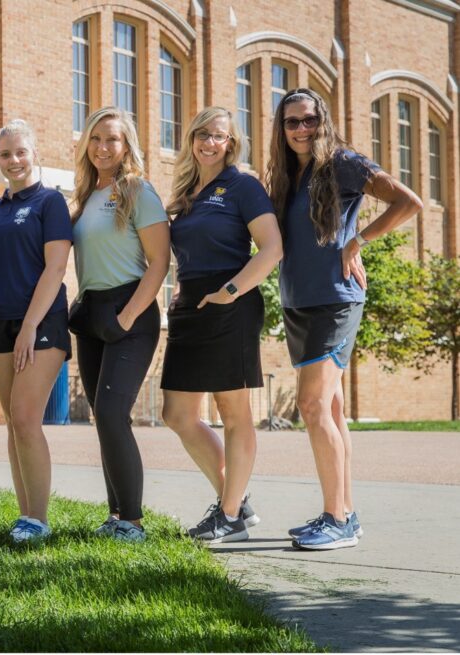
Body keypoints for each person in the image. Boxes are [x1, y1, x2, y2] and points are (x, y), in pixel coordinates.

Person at [266, 88, 422, 550]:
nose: (301, 129)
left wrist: (358, 241)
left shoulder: (343, 163)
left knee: (311, 406)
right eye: (292, 122)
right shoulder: (287, 175)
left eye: (309, 119)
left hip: (335, 299)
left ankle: (336, 520)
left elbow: (408, 201)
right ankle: (345, 512)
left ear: (323, 121)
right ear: (281, 128)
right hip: (297, 302)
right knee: (331, 409)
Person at [160, 107, 282, 543]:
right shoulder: (187, 191)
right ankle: (237, 503)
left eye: (219, 136)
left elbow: (272, 248)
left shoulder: (243, 186)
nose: (210, 143)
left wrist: (230, 291)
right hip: (190, 304)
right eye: (202, 134)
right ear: (191, 139)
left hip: (231, 302)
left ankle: (229, 516)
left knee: (233, 412)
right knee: (177, 413)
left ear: (232, 143)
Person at [68, 106, 170, 543]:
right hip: (92, 312)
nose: (102, 147)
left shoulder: (137, 191)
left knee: (112, 413)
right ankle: (115, 517)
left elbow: (160, 262)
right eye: (95, 138)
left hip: (131, 311)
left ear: (126, 145)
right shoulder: (84, 197)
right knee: (102, 417)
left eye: (112, 139)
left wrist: (126, 317)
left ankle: (133, 523)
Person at [0, 120, 72, 542]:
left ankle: (39, 519)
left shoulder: (50, 202)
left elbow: (56, 267)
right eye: (5, 154)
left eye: (20, 152)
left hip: (42, 322)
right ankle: (25, 516)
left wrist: (30, 326)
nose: (13, 160)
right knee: (13, 423)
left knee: (25, 417)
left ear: (34, 153)